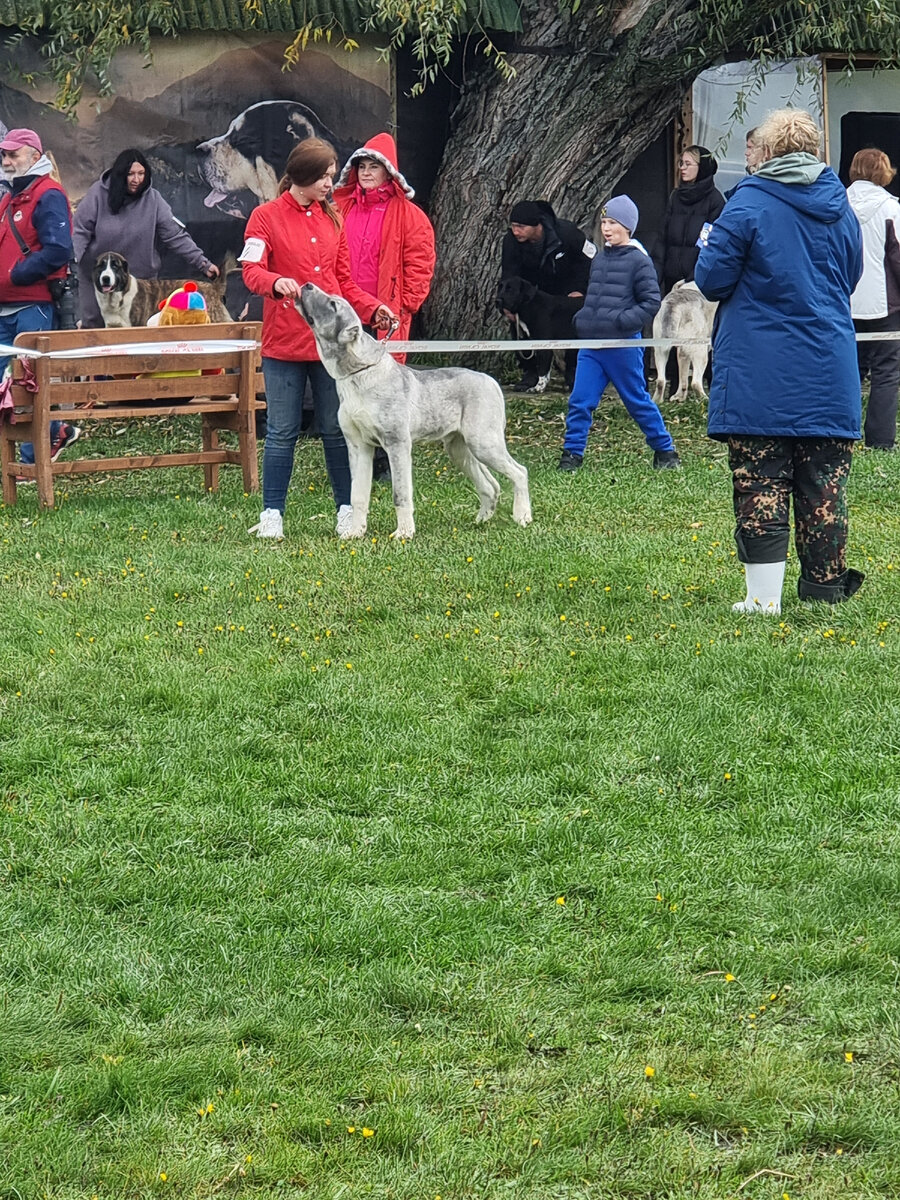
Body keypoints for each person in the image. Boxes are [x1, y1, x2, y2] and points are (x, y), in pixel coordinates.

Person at [695, 108, 864, 613]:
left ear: (766, 152)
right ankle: (824, 593)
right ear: (814, 152)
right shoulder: (841, 206)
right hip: (829, 364)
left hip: (758, 368)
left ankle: (763, 600)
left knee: (760, 480)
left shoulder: (746, 204)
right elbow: (850, 276)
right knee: (824, 483)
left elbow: (712, 279)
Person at [240, 137, 395, 541]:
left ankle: (346, 509)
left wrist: (371, 307)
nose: (331, 183)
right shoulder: (264, 217)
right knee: (281, 430)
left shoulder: (333, 218)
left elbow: (343, 282)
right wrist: (276, 283)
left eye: (331, 176)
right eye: (324, 176)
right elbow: (251, 273)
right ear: (303, 177)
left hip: (333, 352)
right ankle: (272, 514)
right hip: (284, 345)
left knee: (335, 427)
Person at [333, 132, 436, 479]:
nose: (365, 172)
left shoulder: (410, 215)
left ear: (388, 171)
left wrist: (406, 305)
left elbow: (420, 263)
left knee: (385, 387)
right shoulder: (340, 207)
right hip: (346, 312)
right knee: (348, 382)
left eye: (373, 166)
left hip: (385, 313)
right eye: (361, 165)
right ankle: (353, 455)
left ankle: (383, 463)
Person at [558, 195, 680, 472]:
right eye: (603, 222)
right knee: (580, 401)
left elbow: (651, 301)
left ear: (627, 226)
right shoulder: (600, 259)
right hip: (592, 344)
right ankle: (572, 455)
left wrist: (625, 321)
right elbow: (596, 295)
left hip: (622, 345)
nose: (606, 228)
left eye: (612, 222)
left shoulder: (640, 261)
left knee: (636, 400)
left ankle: (665, 451)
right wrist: (584, 318)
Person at [0, 128, 80, 469]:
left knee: (29, 384)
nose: (6, 161)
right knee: (9, 387)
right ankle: (55, 433)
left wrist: (17, 274)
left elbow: (59, 249)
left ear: (34, 155)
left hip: (34, 305)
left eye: (13, 154)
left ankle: (33, 461)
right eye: (3, 155)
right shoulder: (8, 198)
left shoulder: (49, 194)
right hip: (4, 307)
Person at [73, 149, 219, 329]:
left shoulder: (154, 200)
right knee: (93, 329)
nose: (136, 180)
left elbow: (175, 235)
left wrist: (202, 263)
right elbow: (79, 232)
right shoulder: (97, 194)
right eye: (131, 174)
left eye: (141, 174)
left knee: (144, 331)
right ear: (120, 175)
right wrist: (74, 262)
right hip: (99, 279)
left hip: (141, 283)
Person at [499, 199, 595, 391]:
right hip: (531, 293)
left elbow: (588, 258)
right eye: (513, 226)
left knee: (573, 329)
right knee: (522, 329)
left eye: (521, 227)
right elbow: (509, 275)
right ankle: (530, 373)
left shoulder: (567, 233)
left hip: (566, 287)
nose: (515, 231)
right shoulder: (511, 241)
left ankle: (573, 372)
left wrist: (579, 289)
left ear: (537, 225)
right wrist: (507, 306)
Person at [846, 147, 900, 451]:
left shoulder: (838, 204)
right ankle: (881, 441)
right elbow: (897, 258)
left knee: (847, 370)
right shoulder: (891, 207)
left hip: (844, 301)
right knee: (886, 373)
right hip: (884, 304)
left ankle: (844, 433)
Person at [653, 146, 726, 295]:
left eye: (688, 164)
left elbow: (709, 244)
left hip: (695, 285)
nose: (682, 168)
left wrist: (693, 279)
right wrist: (654, 276)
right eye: (681, 163)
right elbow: (662, 239)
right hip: (670, 281)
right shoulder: (676, 197)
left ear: (702, 167)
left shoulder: (715, 201)